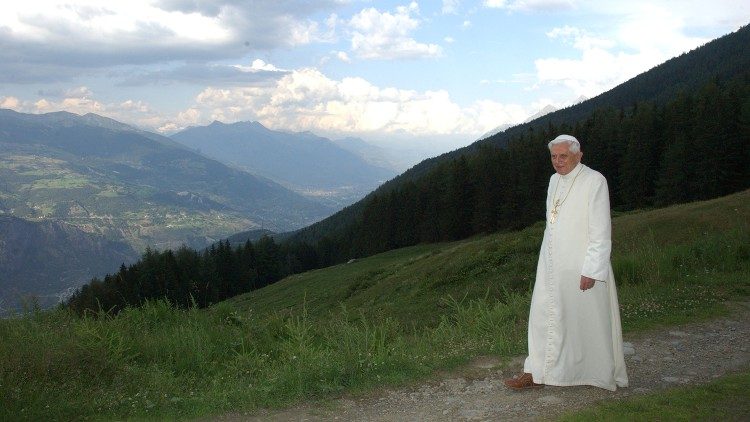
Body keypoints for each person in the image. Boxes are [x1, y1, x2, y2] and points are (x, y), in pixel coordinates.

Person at [504, 134, 629, 391]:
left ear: (578, 155)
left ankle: (591, 372)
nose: (558, 162)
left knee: (584, 321)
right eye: (554, 157)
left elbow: (600, 230)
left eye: (563, 156)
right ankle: (537, 370)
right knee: (543, 315)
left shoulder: (594, 181)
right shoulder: (553, 180)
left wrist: (592, 270)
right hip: (551, 263)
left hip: (580, 265)